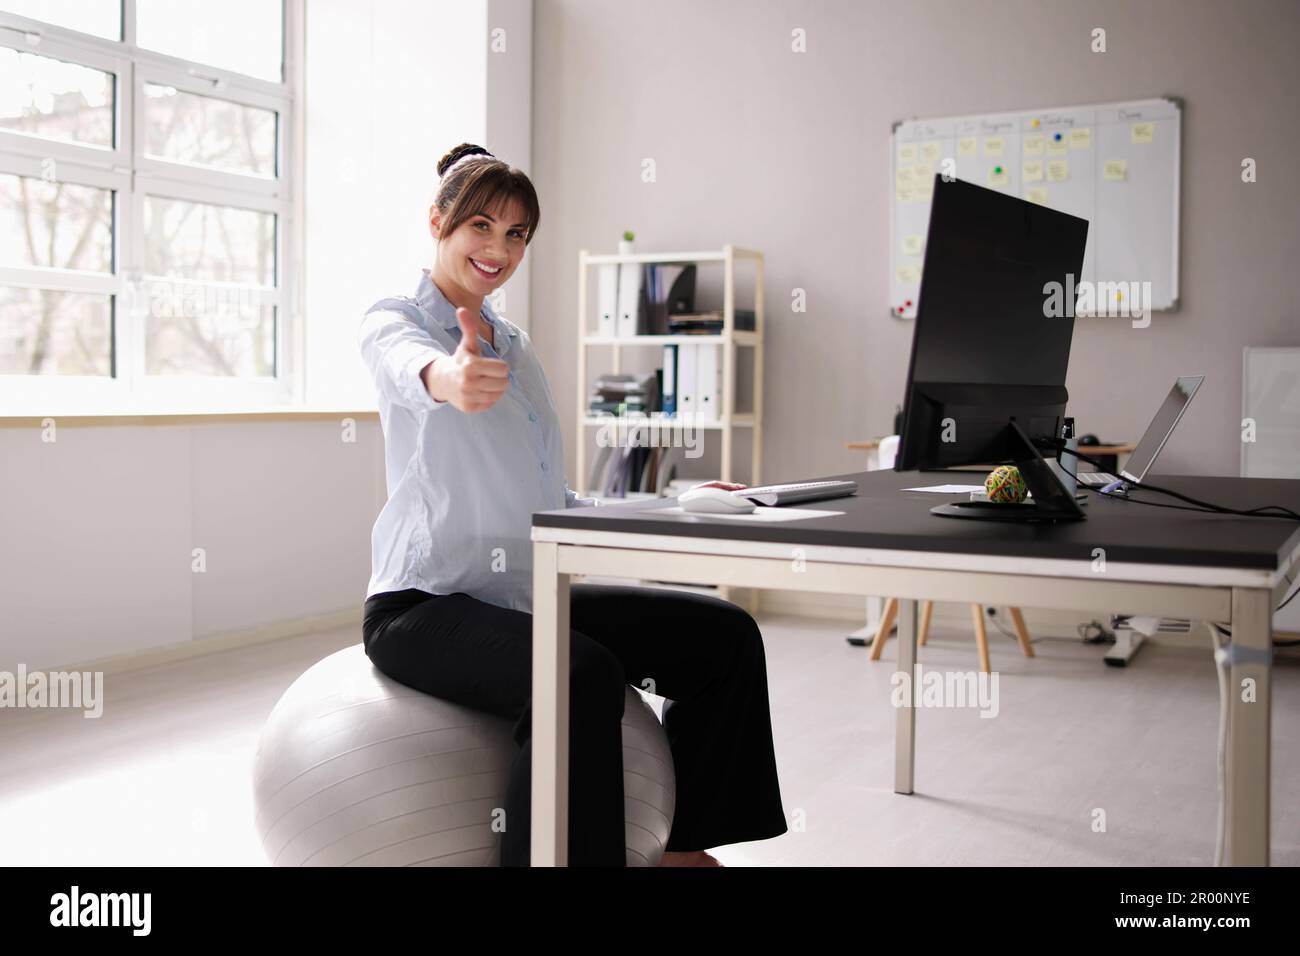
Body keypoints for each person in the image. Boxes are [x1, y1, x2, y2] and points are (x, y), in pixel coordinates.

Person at [357, 142, 788, 866]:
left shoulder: (516, 347)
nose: (500, 248)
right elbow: (403, 363)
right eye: (481, 227)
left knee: (724, 638)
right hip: (424, 606)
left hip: (521, 598)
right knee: (580, 673)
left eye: (518, 233)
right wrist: (446, 376)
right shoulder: (396, 318)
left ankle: (682, 850)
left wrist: (681, 503)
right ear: (439, 221)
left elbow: (558, 498)